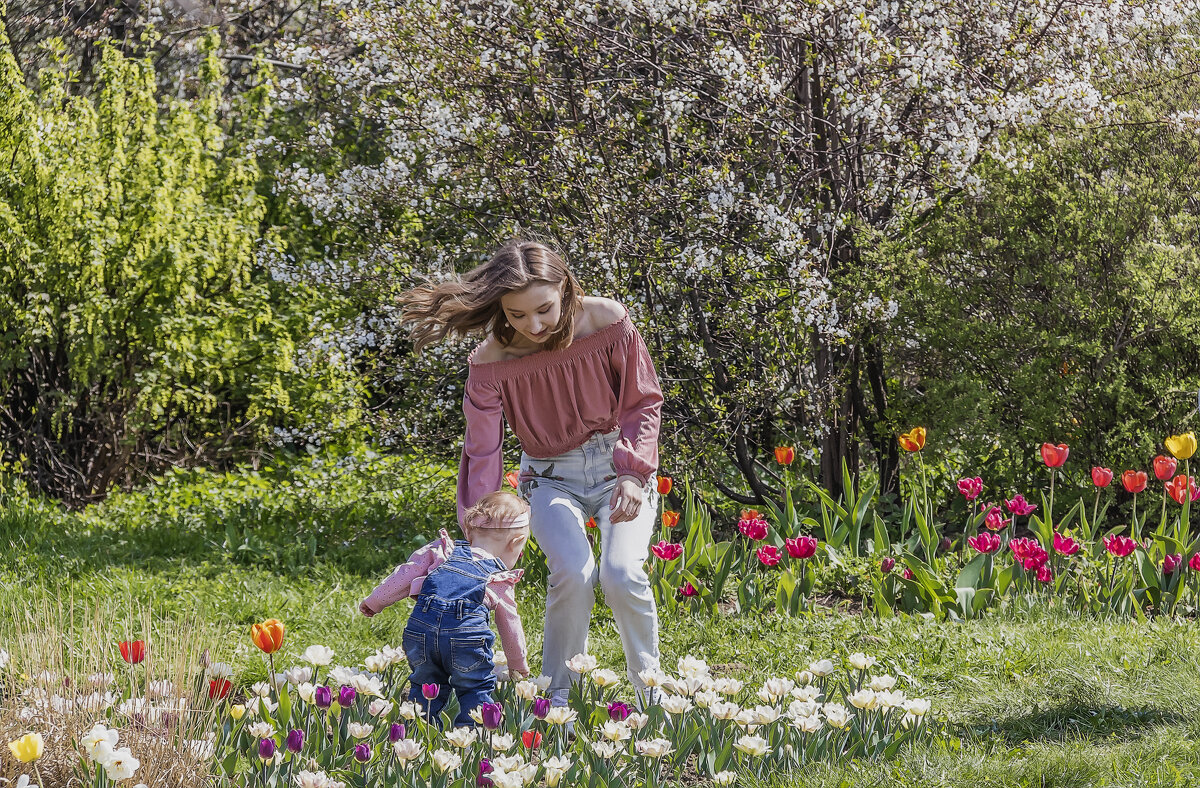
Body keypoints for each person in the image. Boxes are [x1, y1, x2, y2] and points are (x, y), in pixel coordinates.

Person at [400, 238, 664, 711]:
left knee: (621, 573)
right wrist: (484, 523)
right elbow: (483, 448)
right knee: (574, 571)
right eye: (517, 315)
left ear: (565, 286)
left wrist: (631, 473)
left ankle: (653, 697)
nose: (534, 325)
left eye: (543, 309)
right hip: (548, 476)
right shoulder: (491, 360)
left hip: (618, 468)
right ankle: (557, 698)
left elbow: (642, 401)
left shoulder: (606, 320)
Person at [359, 491, 531, 727]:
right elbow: (510, 625)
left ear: (470, 531)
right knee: (474, 688)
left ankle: (419, 733)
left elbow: (405, 574)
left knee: (425, 685)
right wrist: (517, 665)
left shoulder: (443, 551)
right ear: (515, 543)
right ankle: (469, 740)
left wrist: (375, 601)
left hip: (421, 635)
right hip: (466, 640)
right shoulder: (499, 577)